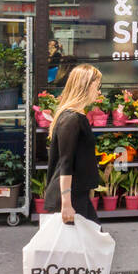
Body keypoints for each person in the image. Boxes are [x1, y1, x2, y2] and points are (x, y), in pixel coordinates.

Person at [44, 63, 103, 225]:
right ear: (86, 86)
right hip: (71, 199)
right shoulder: (72, 119)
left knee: (93, 244)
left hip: (77, 195)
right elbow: (66, 163)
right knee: (92, 245)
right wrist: (66, 204)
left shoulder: (74, 117)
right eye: (97, 86)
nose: (99, 92)